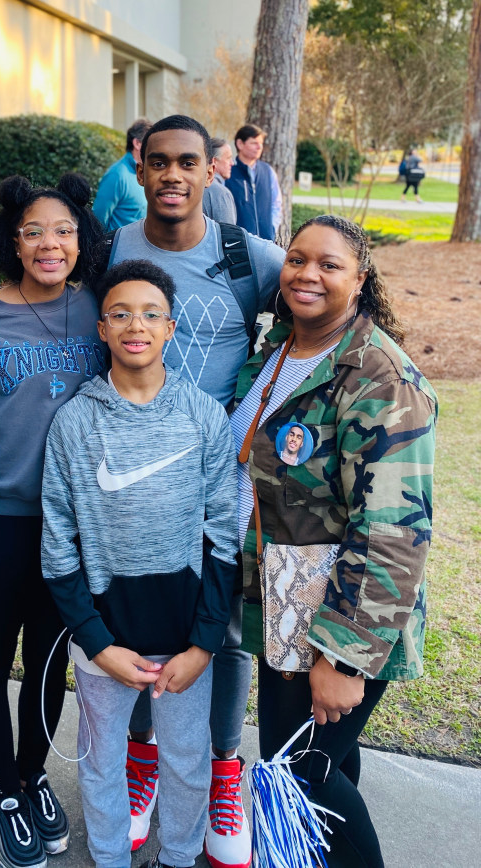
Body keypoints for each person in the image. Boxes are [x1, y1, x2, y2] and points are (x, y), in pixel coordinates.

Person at [100, 114, 285, 868]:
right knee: (143, 611)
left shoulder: (254, 256)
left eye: (189, 162)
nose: (173, 175)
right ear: (139, 170)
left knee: (225, 625)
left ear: (213, 171)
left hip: (222, 480)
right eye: (159, 162)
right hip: (139, 470)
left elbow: (322, 303)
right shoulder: (115, 247)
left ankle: (220, 772)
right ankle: (143, 760)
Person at [231, 214, 436, 867]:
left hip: (333, 622)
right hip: (284, 605)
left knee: (299, 772)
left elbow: (393, 530)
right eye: (297, 260)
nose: (307, 275)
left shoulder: (378, 377)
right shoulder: (277, 352)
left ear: (361, 278)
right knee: (322, 765)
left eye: (329, 264)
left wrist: (343, 658)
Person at [41, 258, 239, 868]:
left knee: (185, 760)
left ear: (171, 329)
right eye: (121, 313)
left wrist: (204, 644)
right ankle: (110, 857)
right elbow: (57, 546)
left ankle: (179, 857)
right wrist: (95, 642)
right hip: (106, 642)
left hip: (184, 642)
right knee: (103, 763)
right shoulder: (75, 422)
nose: (137, 325)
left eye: (151, 314)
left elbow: (224, 537)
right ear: (101, 329)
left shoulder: (202, 414)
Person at [0, 173, 105, 868]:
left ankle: (34, 775)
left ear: (81, 239)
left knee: (47, 663)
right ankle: (2, 791)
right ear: (13, 239)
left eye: (64, 231)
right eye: (35, 231)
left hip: (71, 527)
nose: (50, 244)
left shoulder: (100, 310)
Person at [224, 123, 282, 241]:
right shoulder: (229, 173)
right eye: (254, 143)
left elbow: (276, 204)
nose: (259, 147)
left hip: (266, 244)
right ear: (240, 144)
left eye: (261, 143)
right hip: (239, 246)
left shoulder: (268, 171)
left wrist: (272, 228)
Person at [92, 118, 151, 230]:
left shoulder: (150, 173)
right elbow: (98, 221)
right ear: (137, 143)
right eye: (150, 143)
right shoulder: (117, 175)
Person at [202, 136, 237, 224]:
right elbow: (228, 234)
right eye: (228, 158)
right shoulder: (221, 193)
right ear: (214, 162)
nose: (232, 163)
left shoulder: (195, 185)